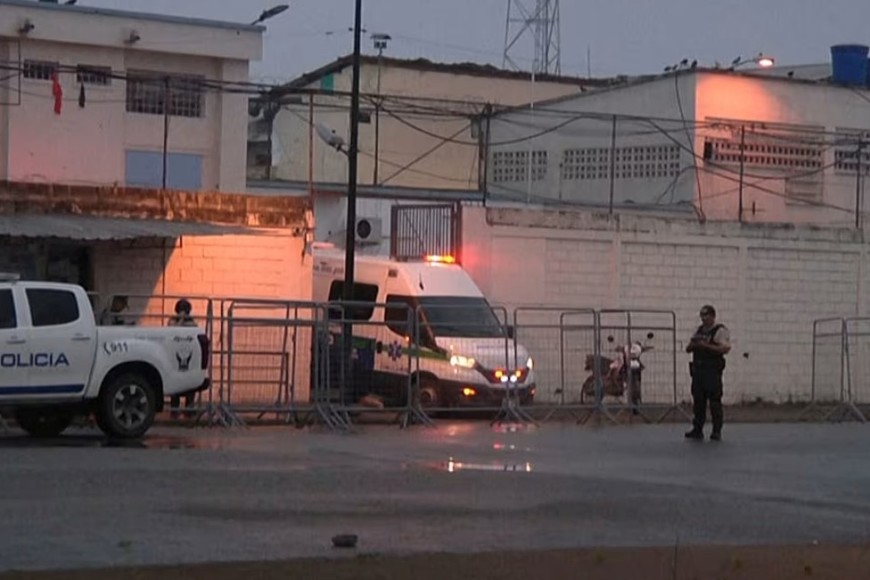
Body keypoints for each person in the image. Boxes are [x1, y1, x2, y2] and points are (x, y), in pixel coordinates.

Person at [685, 305, 731, 441]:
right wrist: (694, 345)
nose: (704, 319)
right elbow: (688, 348)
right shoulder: (698, 330)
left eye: (706, 316)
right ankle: (697, 429)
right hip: (698, 371)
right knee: (698, 401)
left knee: (714, 402)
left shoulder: (719, 331)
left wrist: (706, 346)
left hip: (712, 371)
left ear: (712, 316)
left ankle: (716, 431)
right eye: (702, 316)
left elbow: (725, 349)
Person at [169, 299, 198, 418]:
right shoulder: (172, 320)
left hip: (188, 353)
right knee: (175, 382)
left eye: (185, 310)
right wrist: (180, 319)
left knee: (190, 382)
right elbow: (172, 330)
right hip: (175, 354)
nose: (184, 312)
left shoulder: (192, 322)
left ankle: (189, 408)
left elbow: (193, 331)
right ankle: (174, 409)